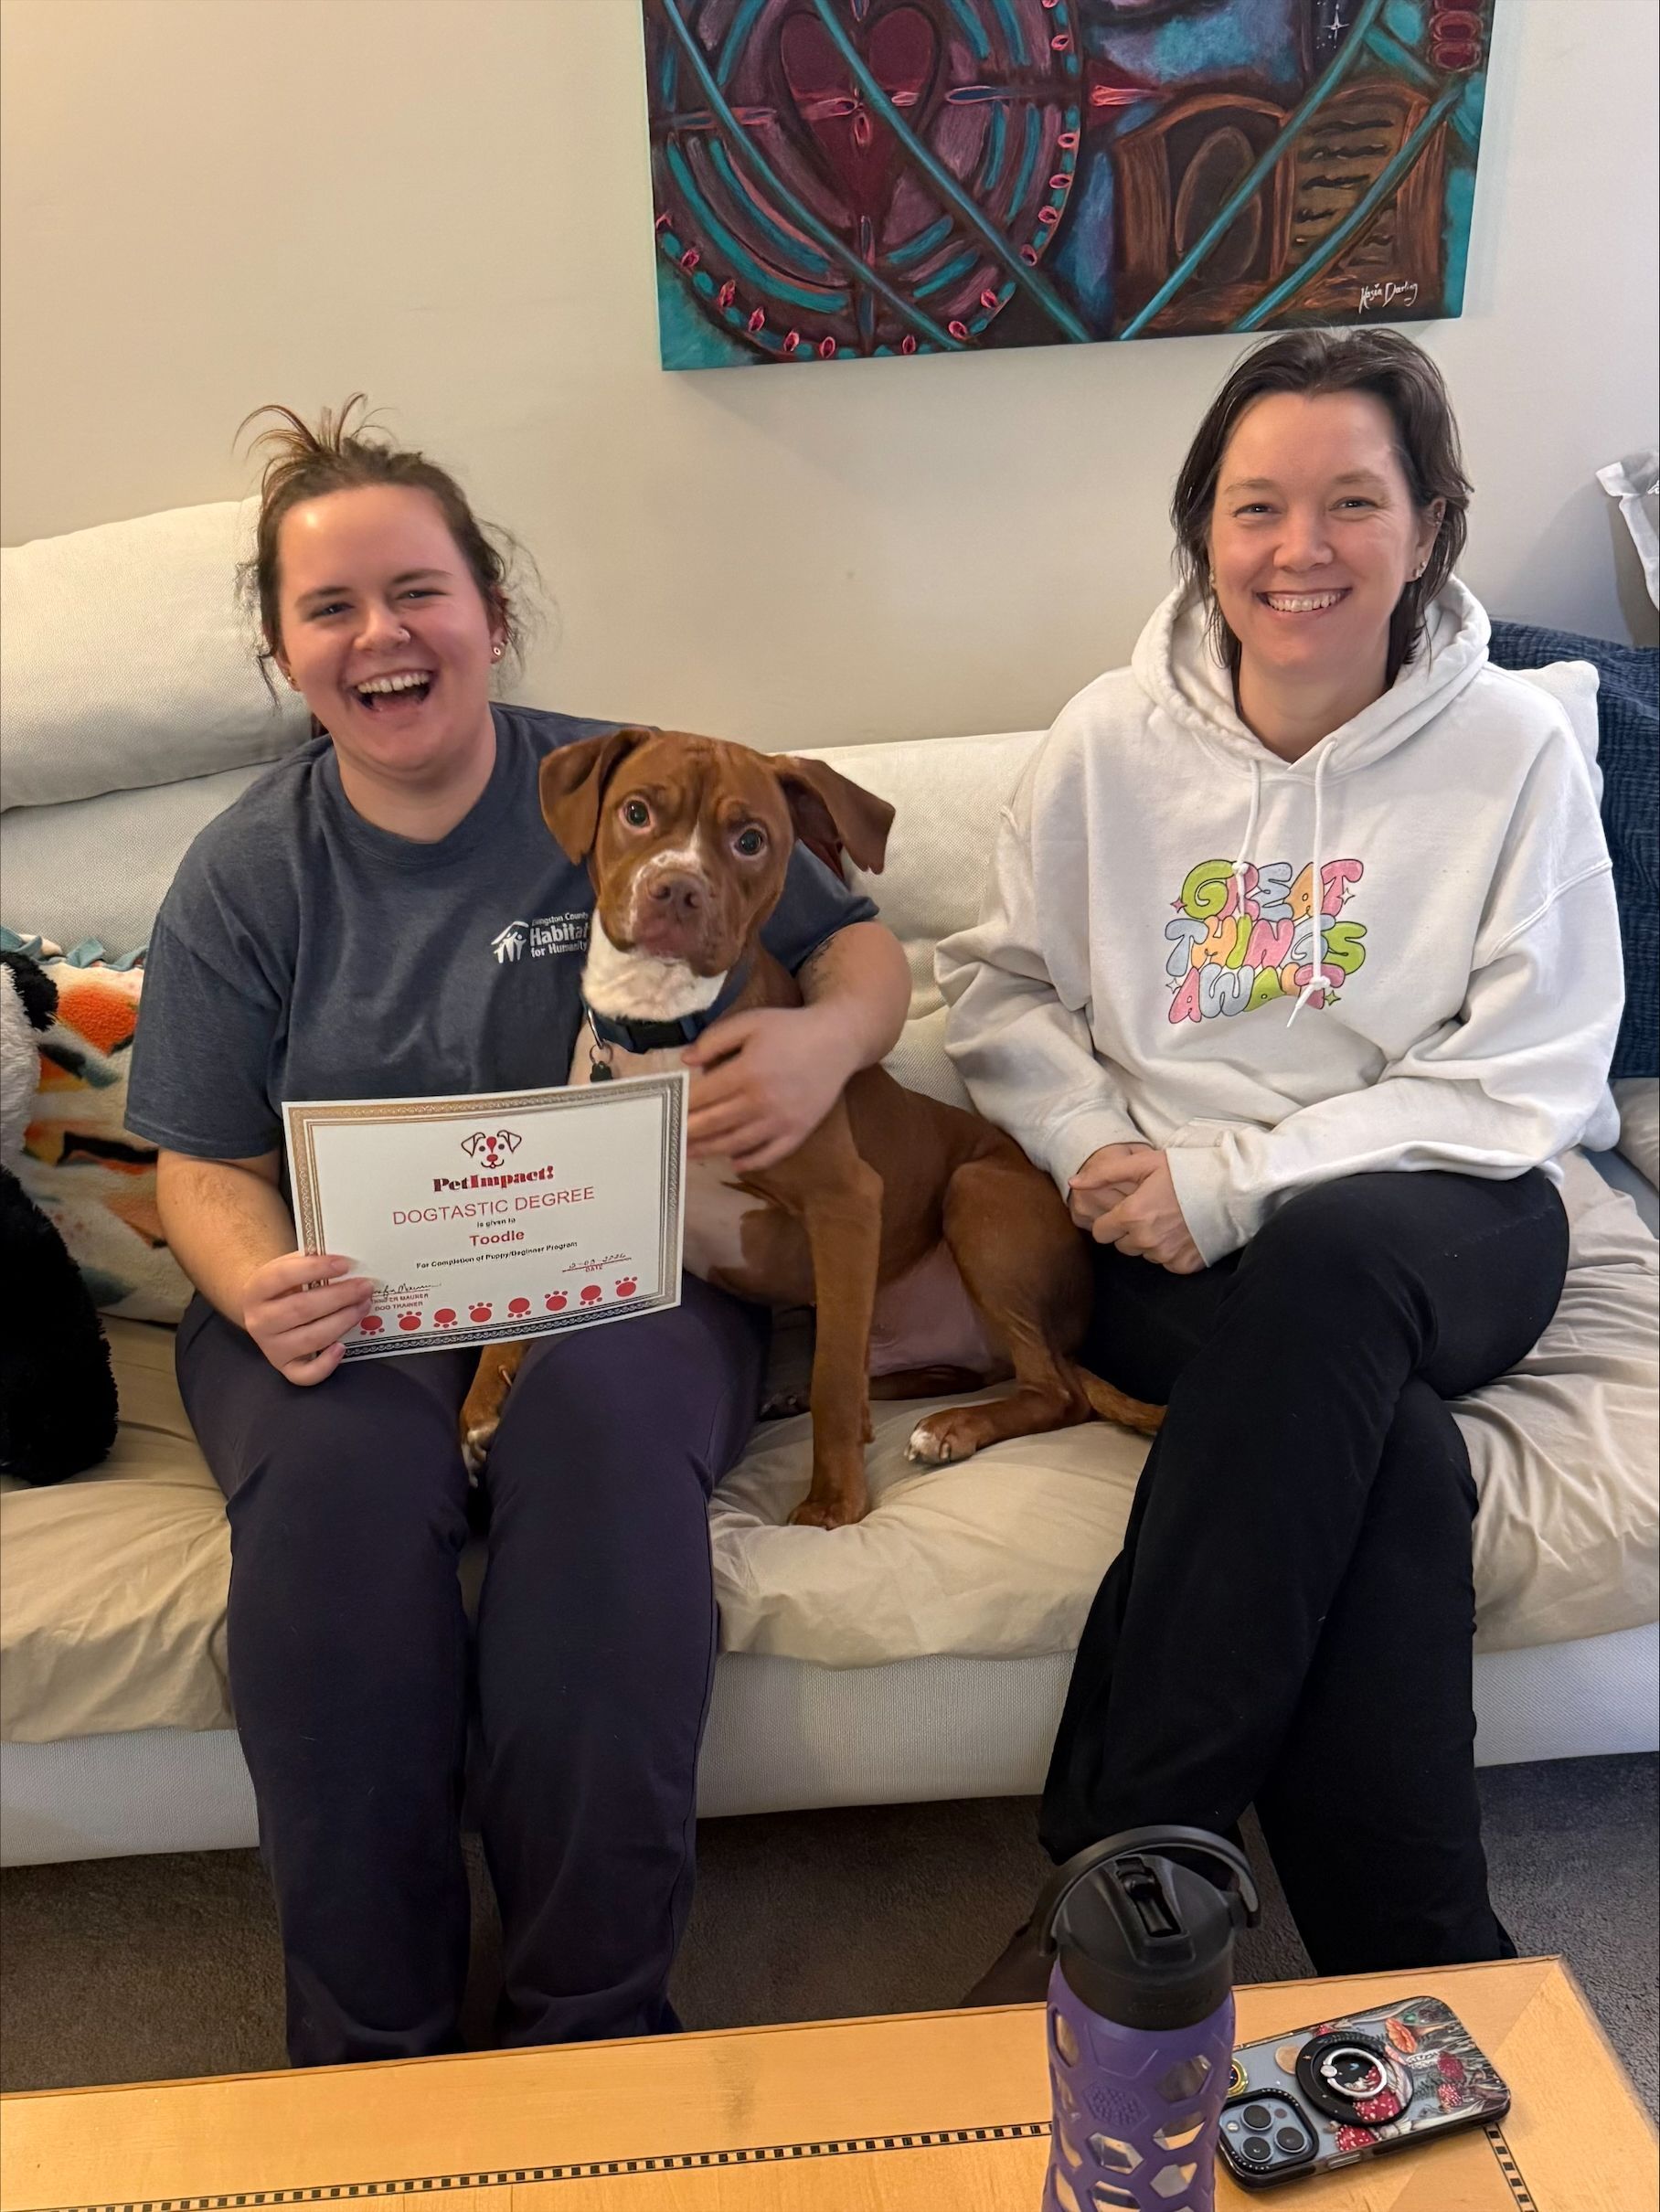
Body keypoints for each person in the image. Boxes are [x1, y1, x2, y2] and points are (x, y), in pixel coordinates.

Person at [124, 400, 911, 2065]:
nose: (380, 635)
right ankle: (369, 2057)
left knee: (613, 1467)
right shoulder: (244, 872)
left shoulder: (640, 785)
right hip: (334, 1294)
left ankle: (592, 2029)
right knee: (336, 1506)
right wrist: (258, 1284)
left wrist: (829, 1043)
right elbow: (195, 1156)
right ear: (286, 652)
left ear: (489, 613)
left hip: (625, 1268)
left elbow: (861, 952)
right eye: (329, 608)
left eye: (418, 591)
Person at [938, 329, 1623, 1981]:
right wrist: (1105, 1150)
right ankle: (1431, 1964)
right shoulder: (1110, 737)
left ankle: (1119, 1868)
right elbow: (1001, 982)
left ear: (1431, 522)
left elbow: (1531, 1067)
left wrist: (1239, 1178)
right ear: (1203, 527)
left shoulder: (1517, 749)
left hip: (1453, 1216)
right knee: (1377, 1454)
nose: (1298, 551)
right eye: (1257, 507)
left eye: (1351, 503)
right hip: (1167, 1244)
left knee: (1327, 1264)